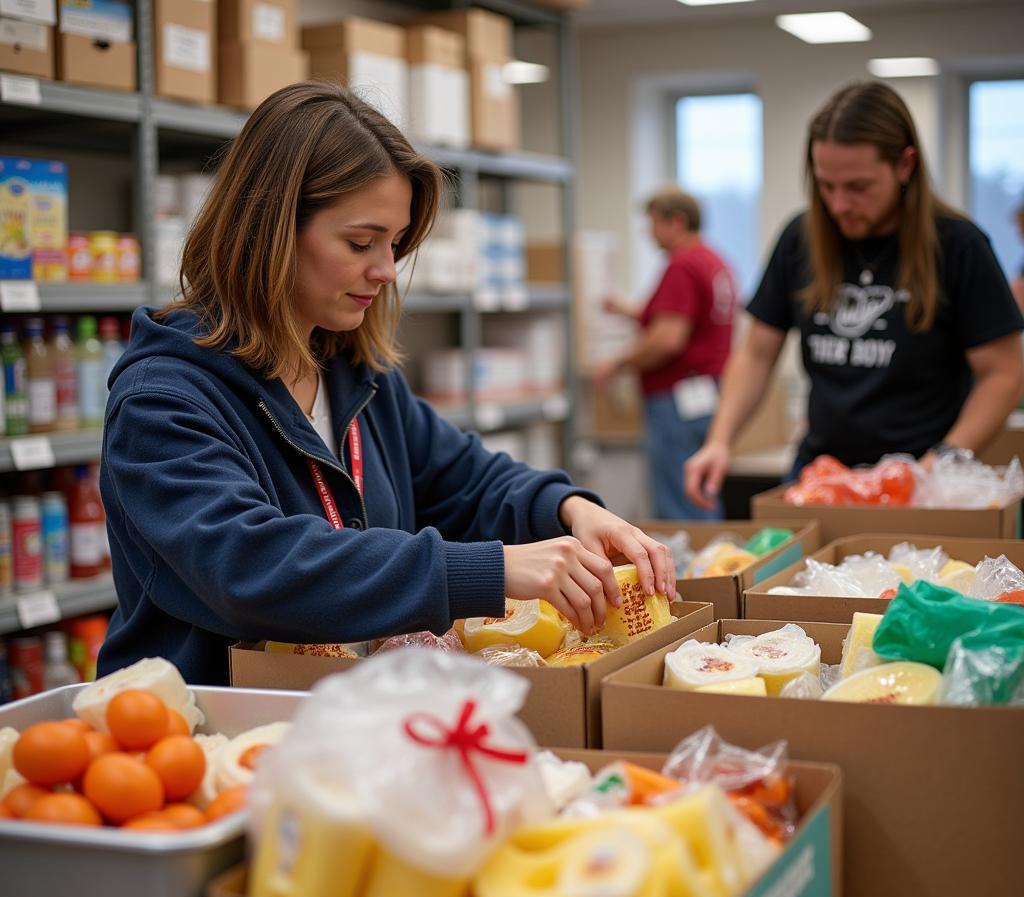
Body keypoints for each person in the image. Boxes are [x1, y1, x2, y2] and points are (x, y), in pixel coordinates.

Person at [97, 82, 674, 683]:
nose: (385, 271)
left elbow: (467, 481)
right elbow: (252, 567)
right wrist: (488, 570)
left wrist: (568, 508)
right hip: (202, 732)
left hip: (343, 717)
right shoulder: (163, 401)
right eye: (360, 242)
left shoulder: (354, 375)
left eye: (394, 244)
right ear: (269, 230)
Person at [685, 81, 1024, 509]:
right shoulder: (800, 238)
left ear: (905, 165)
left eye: (859, 187)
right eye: (827, 186)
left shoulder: (958, 246)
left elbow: (1003, 373)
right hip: (821, 475)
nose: (840, 204)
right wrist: (720, 440)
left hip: (918, 483)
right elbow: (757, 353)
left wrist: (938, 463)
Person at [597, 187, 736, 519]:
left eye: (654, 223)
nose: (649, 232)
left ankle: (691, 570)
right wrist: (630, 311)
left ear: (677, 222)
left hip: (676, 400)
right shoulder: (712, 260)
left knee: (680, 499)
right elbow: (683, 320)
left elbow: (668, 339)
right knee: (700, 489)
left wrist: (617, 363)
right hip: (704, 393)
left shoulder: (682, 265)